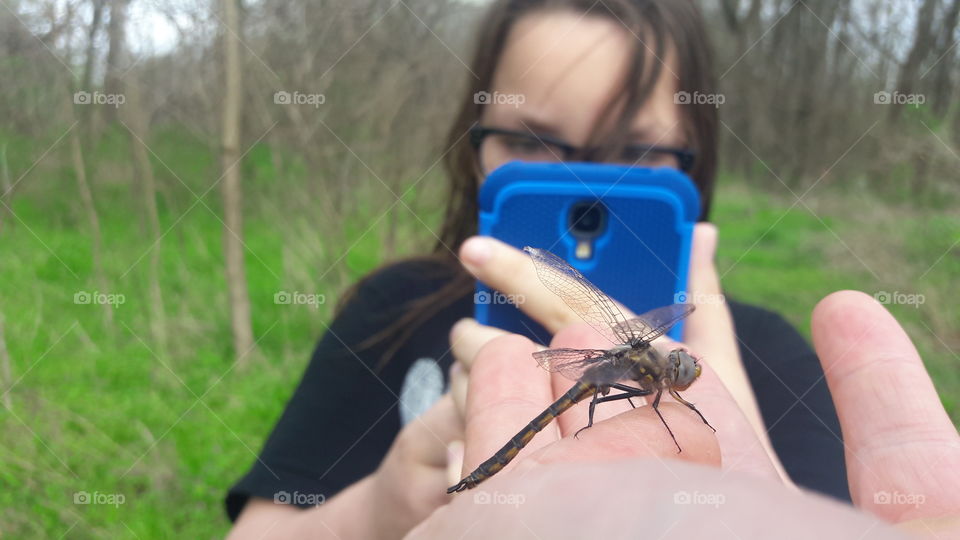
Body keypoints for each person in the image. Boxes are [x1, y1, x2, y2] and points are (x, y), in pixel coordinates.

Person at [222, 0, 892, 537]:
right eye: (527, 142)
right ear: (472, 142)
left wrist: (744, 491)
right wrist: (377, 514)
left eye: (639, 151)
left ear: (697, 166)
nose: (589, 187)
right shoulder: (389, 312)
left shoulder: (771, 357)